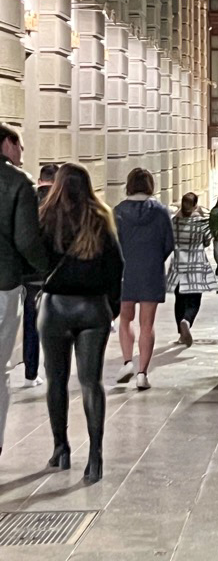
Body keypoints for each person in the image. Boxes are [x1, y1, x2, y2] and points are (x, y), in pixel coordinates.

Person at [38, 164, 123, 484]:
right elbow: (116, 265)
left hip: (56, 307)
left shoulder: (45, 217)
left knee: (56, 381)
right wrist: (111, 306)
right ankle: (95, 457)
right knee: (91, 383)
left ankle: (61, 449)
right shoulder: (101, 217)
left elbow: (36, 258)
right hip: (92, 309)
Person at [0, 125, 49, 458]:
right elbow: (27, 240)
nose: (22, 152)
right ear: (7, 143)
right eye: (19, 145)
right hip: (4, 284)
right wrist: (47, 271)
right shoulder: (18, 182)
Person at [115, 168, 174, 390]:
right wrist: (155, 259)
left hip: (124, 272)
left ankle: (127, 362)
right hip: (151, 272)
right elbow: (169, 243)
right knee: (147, 324)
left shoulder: (118, 212)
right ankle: (142, 374)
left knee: (125, 319)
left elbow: (112, 244)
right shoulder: (161, 212)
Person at [21, 163, 59, 388]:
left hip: (28, 274)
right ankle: (53, 369)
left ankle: (30, 372)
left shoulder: (26, 201)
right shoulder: (61, 204)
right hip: (53, 274)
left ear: (40, 180)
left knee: (30, 323)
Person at [166, 192, 217, 347]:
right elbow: (207, 241)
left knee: (179, 300)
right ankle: (186, 321)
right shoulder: (201, 222)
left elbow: (169, 240)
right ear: (195, 205)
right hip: (196, 265)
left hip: (179, 265)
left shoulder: (175, 221)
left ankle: (181, 334)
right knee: (194, 300)